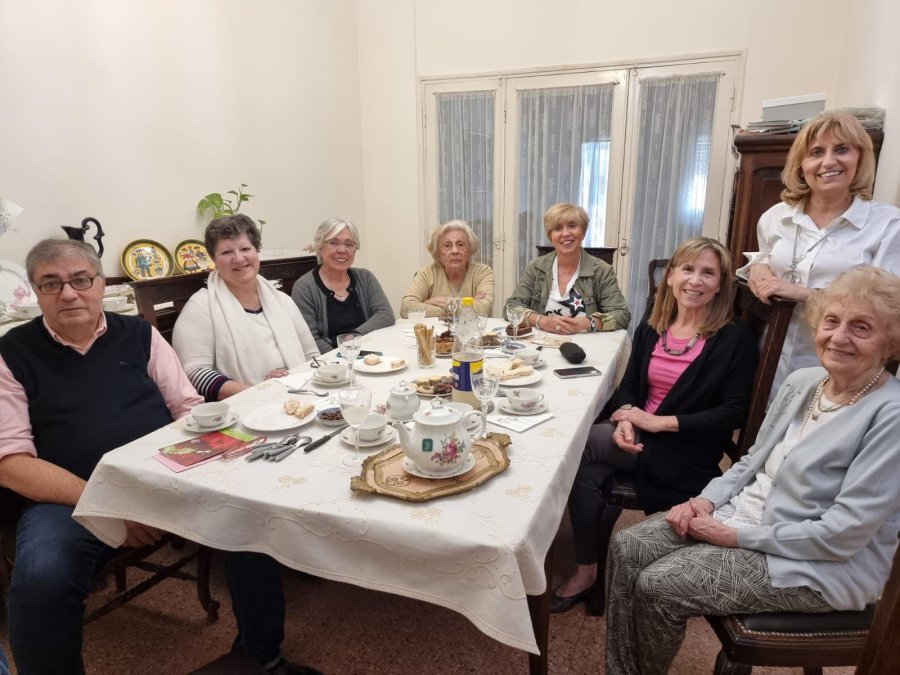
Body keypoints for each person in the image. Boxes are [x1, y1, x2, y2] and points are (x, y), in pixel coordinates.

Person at [0, 239, 321, 675]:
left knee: (251, 515)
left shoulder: (140, 335)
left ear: (100, 284)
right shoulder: (12, 354)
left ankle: (261, 655)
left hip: (165, 471)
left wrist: (193, 473)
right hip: (67, 493)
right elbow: (12, 463)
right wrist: (112, 502)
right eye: (52, 284)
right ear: (35, 292)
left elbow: (187, 409)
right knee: (42, 582)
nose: (69, 293)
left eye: (80, 280)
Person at [605, 265, 900, 675]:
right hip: (745, 514)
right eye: (831, 320)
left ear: (890, 342)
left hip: (818, 563)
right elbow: (750, 461)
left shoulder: (891, 415)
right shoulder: (805, 381)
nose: (839, 336)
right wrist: (704, 501)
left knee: (659, 585)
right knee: (627, 547)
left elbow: (844, 534)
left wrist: (735, 536)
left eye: (861, 327)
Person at [551, 237, 758, 613]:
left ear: (722, 282)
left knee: (575, 444)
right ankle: (588, 567)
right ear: (672, 275)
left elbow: (731, 414)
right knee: (587, 472)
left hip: (686, 448)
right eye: (687, 269)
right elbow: (629, 386)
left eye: (708, 272)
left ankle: (543, 540)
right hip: (642, 434)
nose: (695, 280)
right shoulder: (653, 325)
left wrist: (654, 422)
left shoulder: (735, 338)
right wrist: (624, 419)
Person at [740, 111, 900, 397]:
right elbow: (766, 254)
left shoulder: (888, 226)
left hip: (841, 372)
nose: (828, 161)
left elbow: (886, 310)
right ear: (802, 164)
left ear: (860, 158)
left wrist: (801, 293)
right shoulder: (775, 218)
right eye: (816, 152)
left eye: (841, 149)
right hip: (770, 361)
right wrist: (758, 264)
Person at [173, 214, 320, 401]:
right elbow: (195, 374)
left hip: (300, 396)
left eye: (245, 248)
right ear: (214, 259)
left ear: (257, 251)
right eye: (226, 252)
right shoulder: (200, 307)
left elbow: (311, 355)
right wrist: (259, 391)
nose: (238, 258)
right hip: (244, 408)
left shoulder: (282, 300)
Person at [505, 203, 630, 334]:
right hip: (542, 345)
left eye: (572, 226)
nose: (565, 233)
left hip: (587, 348)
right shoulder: (536, 268)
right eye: (558, 228)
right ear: (550, 236)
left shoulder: (602, 271)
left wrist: (587, 323)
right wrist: (541, 321)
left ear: (583, 232)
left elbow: (621, 315)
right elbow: (511, 307)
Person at [292, 217, 394, 353]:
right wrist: (341, 357)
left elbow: (386, 315)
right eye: (333, 243)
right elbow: (309, 338)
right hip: (329, 363)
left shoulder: (365, 278)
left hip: (370, 355)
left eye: (349, 244)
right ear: (319, 247)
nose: (342, 250)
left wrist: (353, 336)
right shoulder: (305, 287)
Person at [400, 219, 494, 318]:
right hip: (437, 333)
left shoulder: (483, 272)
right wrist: (469, 302)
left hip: (472, 332)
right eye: (447, 245)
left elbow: (484, 308)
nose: (455, 251)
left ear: (470, 250)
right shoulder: (426, 274)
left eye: (460, 244)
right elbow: (406, 308)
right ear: (437, 253)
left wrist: (428, 304)